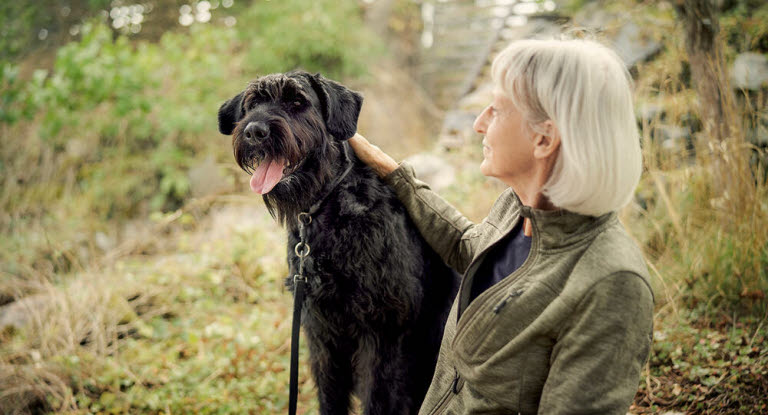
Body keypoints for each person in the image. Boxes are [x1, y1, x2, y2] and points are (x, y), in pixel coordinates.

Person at [348, 38, 654, 414]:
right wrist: (393, 173)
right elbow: (467, 246)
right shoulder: (518, 206)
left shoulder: (611, 283)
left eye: (495, 110)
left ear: (544, 137)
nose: (478, 124)